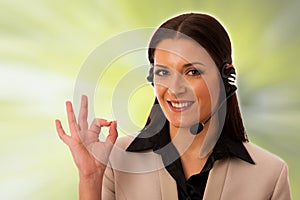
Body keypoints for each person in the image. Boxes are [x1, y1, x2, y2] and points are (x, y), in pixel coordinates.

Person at [55, 13, 292, 200]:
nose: (175, 88)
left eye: (192, 72)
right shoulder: (119, 159)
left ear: (226, 78)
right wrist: (90, 178)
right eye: (163, 72)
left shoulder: (269, 173)